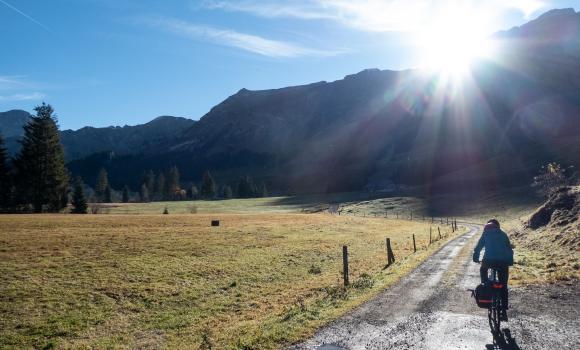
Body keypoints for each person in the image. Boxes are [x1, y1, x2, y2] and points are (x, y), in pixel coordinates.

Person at [473, 219, 514, 321]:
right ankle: (503, 311)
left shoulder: (485, 234)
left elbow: (478, 248)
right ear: (497, 226)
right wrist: (510, 262)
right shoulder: (503, 234)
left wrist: (476, 257)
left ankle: (485, 285)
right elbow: (509, 249)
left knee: (483, 270)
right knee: (503, 286)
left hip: (488, 261)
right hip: (502, 263)